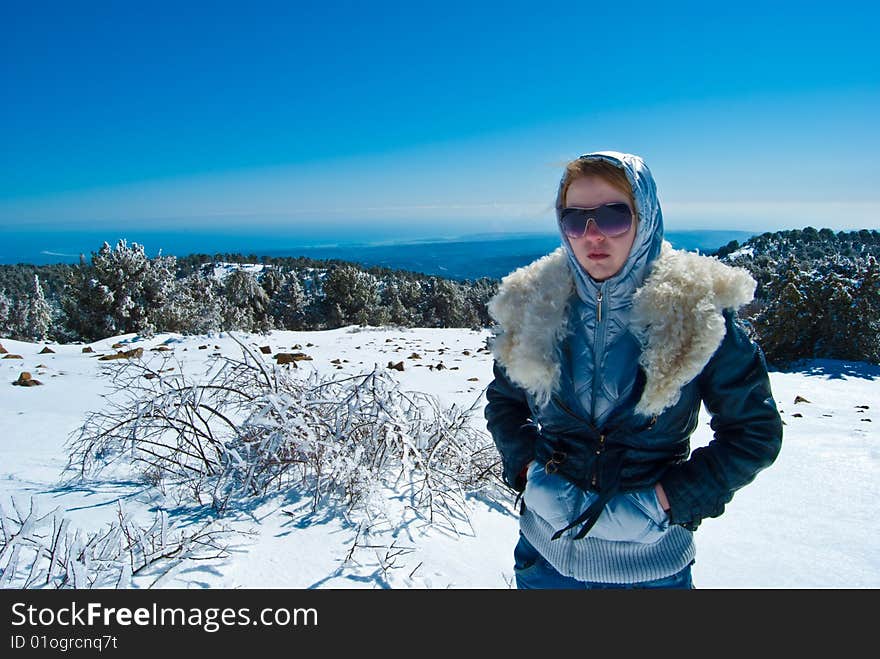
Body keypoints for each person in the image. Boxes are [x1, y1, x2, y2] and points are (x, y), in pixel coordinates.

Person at [484, 151, 783, 589]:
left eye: (613, 215)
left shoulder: (694, 308)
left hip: (649, 568)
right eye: (574, 219)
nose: (592, 235)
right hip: (543, 558)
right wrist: (528, 470)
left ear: (645, 216)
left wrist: (669, 502)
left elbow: (754, 431)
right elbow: (504, 403)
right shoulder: (535, 303)